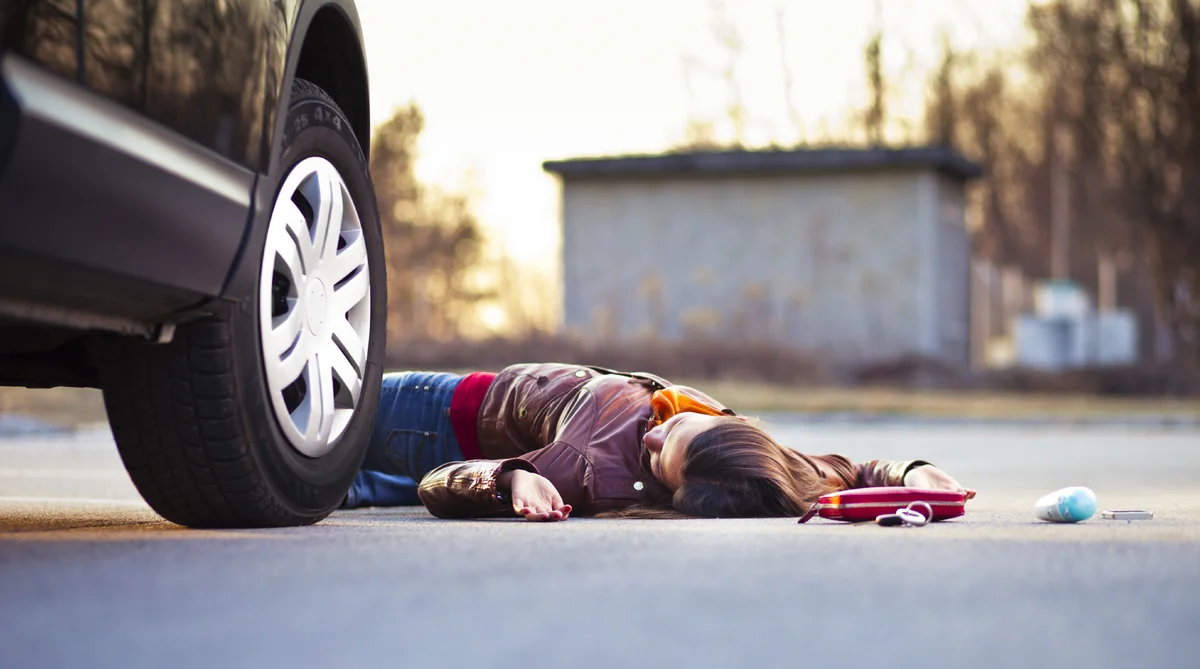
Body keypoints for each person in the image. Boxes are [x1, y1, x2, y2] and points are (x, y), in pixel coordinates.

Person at [343, 364, 975, 521]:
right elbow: (842, 471)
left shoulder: (580, 467)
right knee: (314, 485)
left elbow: (438, 484)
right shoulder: (757, 460)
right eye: (676, 430)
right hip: (448, 400)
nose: (652, 432)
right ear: (737, 434)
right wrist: (909, 470)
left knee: (268, 434)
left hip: (428, 418)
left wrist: (508, 479)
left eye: (658, 459)